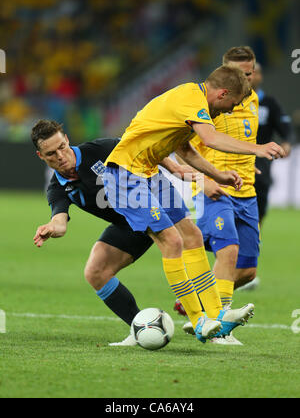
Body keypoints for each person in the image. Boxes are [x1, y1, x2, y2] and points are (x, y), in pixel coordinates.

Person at [103, 65, 284, 344]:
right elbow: (210, 138)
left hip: (150, 172)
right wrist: (257, 149)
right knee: (172, 242)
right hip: (126, 174)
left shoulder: (192, 103)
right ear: (222, 93)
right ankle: (200, 322)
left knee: (193, 236)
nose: (228, 111)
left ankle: (217, 315)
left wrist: (218, 174)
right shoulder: (191, 98)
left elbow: (185, 149)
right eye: (231, 104)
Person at [32, 120, 197, 346]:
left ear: (67, 140)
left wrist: (174, 168)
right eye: (51, 153)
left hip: (154, 199)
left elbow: (144, 147)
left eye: (62, 147)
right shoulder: (58, 188)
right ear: (41, 156)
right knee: (95, 272)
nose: (60, 156)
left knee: (194, 240)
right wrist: (52, 227)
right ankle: (140, 328)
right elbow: (60, 220)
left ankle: (205, 308)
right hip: (128, 225)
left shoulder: (101, 149)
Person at [175, 47, 287, 344]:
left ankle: (199, 302)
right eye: (238, 75)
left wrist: (250, 165)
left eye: (249, 74)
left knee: (247, 271)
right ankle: (218, 325)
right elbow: (184, 147)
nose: (245, 80)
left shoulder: (251, 99)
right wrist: (202, 178)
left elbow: (240, 140)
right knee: (229, 252)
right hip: (215, 188)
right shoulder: (207, 104)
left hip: (246, 188)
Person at [252, 62, 293, 225]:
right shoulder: (232, 102)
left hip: (261, 163)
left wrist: (287, 143)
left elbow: (286, 128)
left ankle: (255, 237)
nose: (251, 77)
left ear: (261, 77)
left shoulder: (269, 104)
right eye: (248, 73)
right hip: (234, 159)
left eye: (255, 73)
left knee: (260, 204)